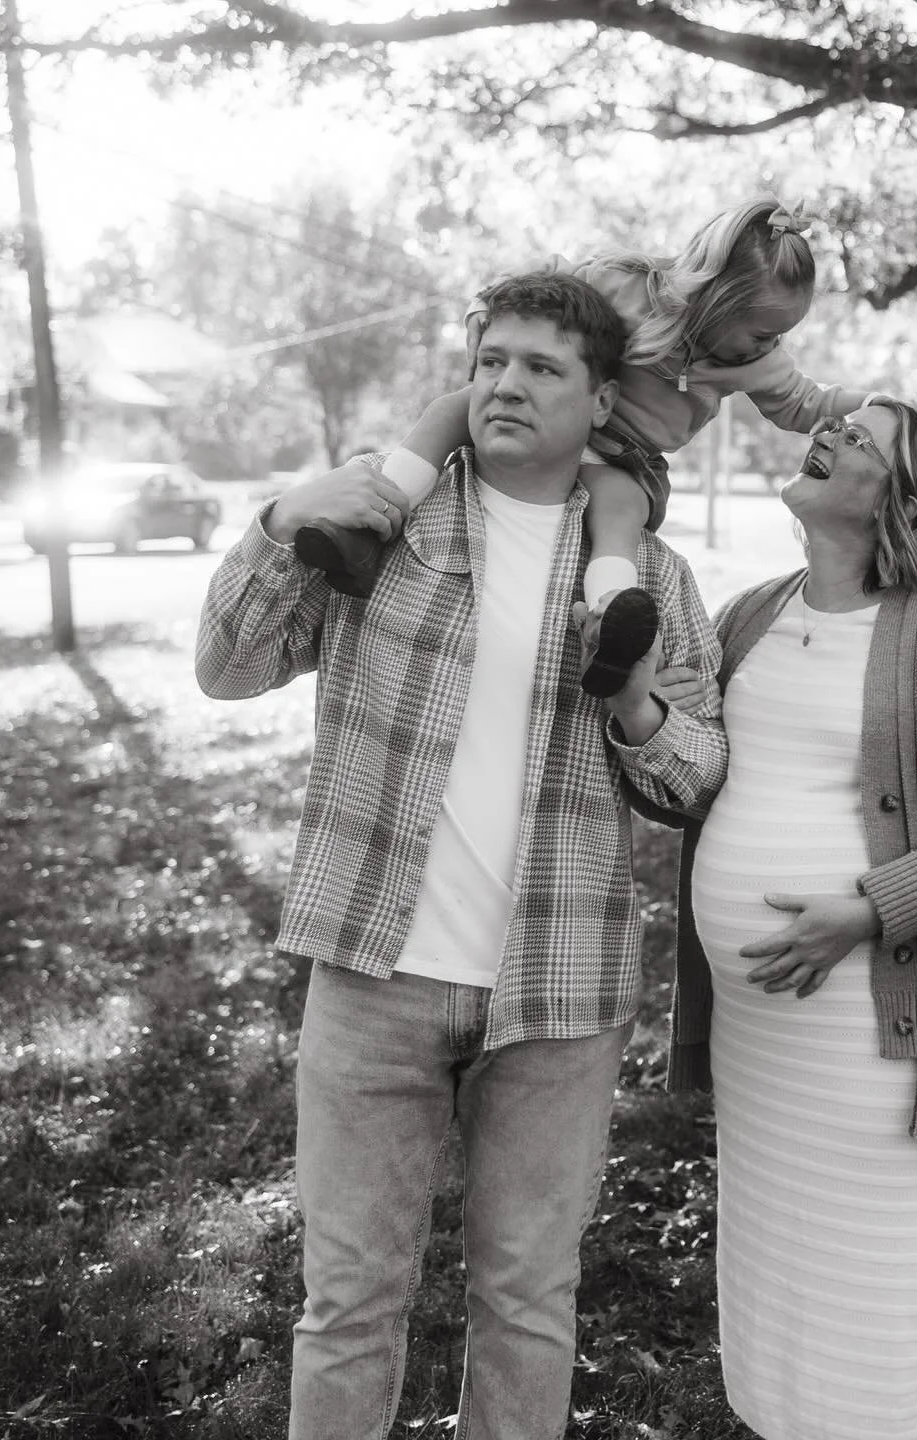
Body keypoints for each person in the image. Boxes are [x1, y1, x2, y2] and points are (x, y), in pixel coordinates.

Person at [195, 271, 728, 1440]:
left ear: (600, 404)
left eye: (542, 367)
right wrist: (284, 519)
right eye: (491, 360)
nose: (506, 385)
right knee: (345, 1306)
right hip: (372, 974)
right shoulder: (379, 529)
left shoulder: (655, 583)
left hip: (559, 995)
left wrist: (637, 707)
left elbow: (692, 781)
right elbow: (228, 669)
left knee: (528, 1300)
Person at [656, 400, 917, 1440]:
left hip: (881, 1038)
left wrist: (865, 913)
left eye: (860, 438)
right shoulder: (749, 614)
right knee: (785, 1270)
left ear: (902, 499)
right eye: (830, 422)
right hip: (763, 1040)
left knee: (895, 1269)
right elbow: (689, 770)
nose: (827, 432)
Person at [293, 196, 875, 697]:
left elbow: (805, 403)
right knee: (448, 410)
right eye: (763, 330)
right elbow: (543, 280)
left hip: (627, 461)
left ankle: (608, 627)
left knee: (617, 508)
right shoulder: (626, 285)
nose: (772, 345)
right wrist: (485, 314)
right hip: (560, 426)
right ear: (716, 297)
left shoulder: (759, 363)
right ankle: (366, 529)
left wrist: (871, 406)